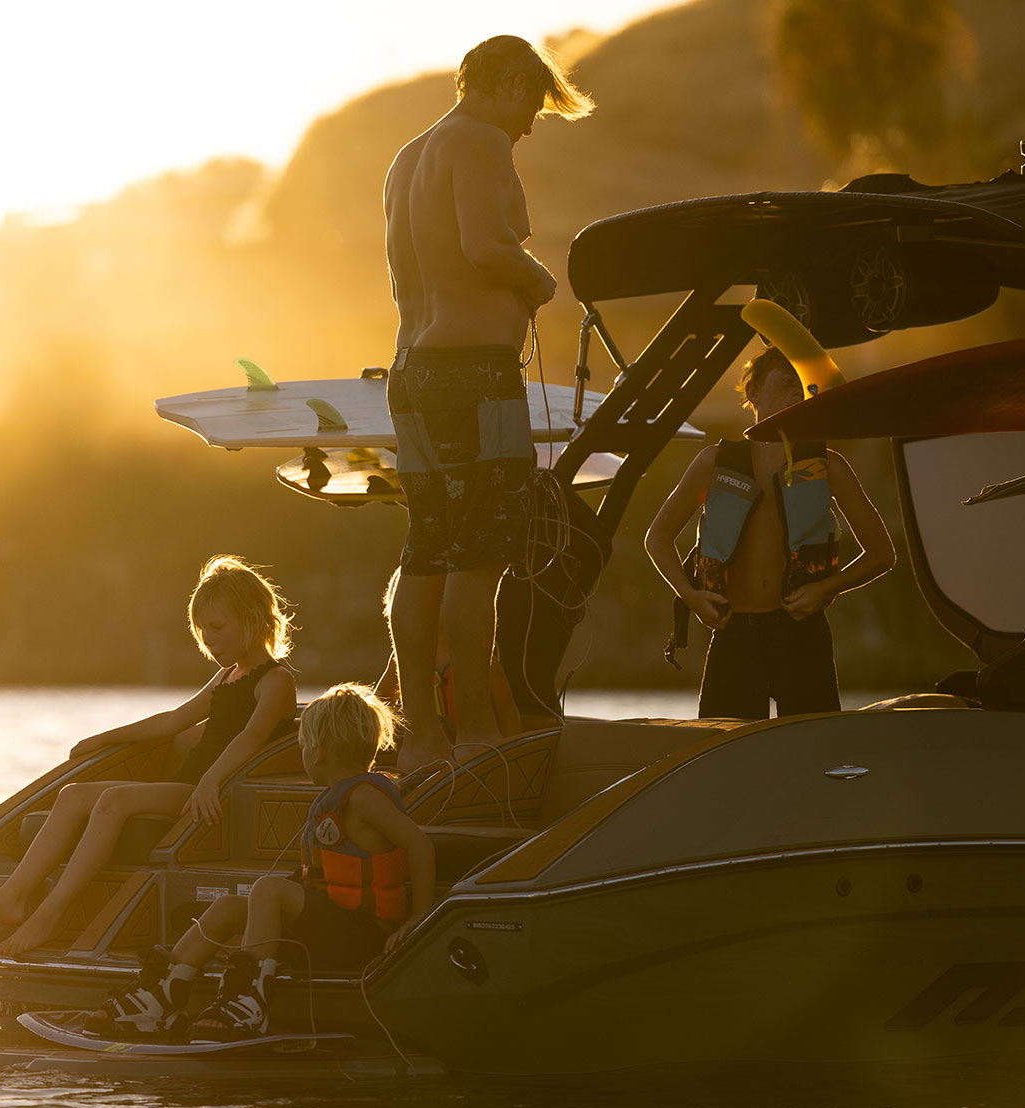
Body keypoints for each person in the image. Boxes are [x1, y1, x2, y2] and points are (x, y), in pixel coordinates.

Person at [383, 35, 593, 774]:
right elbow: (481, 246)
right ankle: (474, 731)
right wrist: (539, 281)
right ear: (505, 84)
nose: (531, 125)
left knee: (428, 550)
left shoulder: (408, 157)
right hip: (473, 375)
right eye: (532, 105)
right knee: (481, 559)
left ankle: (418, 736)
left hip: (414, 374)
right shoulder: (477, 141)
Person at [0, 555, 297, 955]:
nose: (209, 640)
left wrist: (210, 781)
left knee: (115, 800)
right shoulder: (226, 676)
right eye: (202, 631)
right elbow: (172, 721)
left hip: (215, 795)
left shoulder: (276, 681)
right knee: (74, 794)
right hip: (192, 784)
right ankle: (13, 895)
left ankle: (48, 917)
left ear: (254, 619)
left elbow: (251, 738)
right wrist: (103, 738)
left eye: (217, 628)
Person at [93, 683, 436, 1040]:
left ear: (316, 753)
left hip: (361, 932)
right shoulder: (342, 797)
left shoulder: (364, 797)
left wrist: (418, 918)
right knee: (227, 907)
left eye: (303, 748)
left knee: (269, 889)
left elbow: (420, 845)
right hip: (332, 921)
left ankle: (247, 1002)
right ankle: (160, 993)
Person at [645, 346, 896, 719]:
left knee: (815, 753)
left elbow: (882, 553)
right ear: (754, 394)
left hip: (801, 633)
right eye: (785, 382)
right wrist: (692, 596)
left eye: (801, 385)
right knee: (723, 754)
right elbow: (657, 537)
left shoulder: (828, 466)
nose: (797, 391)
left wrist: (825, 588)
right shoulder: (714, 462)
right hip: (735, 635)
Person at [375, 567, 522, 747]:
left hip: (474, 748)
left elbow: (506, 710)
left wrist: (510, 751)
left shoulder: (478, 654)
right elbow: (379, 705)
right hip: (428, 748)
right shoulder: (403, 657)